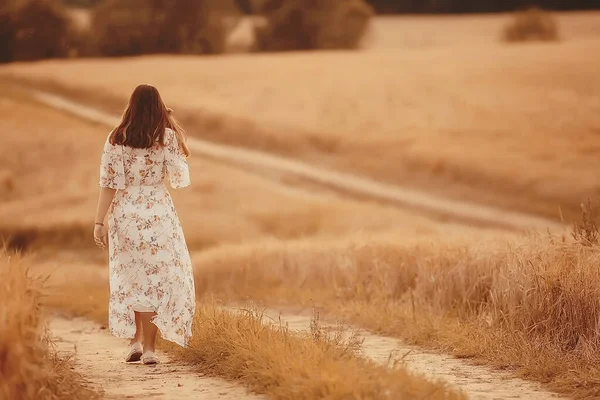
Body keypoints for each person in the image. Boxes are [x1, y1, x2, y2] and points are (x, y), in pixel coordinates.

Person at [93, 84, 195, 365]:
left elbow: (109, 184)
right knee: (157, 279)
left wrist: (99, 221)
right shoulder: (167, 137)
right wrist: (171, 133)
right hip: (158, 212)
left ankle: (133, 342)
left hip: (125, 214)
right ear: (158, 106)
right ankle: (150, 349)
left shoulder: (116, 138)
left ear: (132, 105)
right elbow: (178, 178)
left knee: (132, 278)